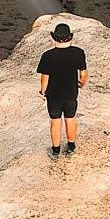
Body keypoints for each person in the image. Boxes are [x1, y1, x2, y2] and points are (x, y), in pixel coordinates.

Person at [37, 22, 87, 159]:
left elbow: (44, 78)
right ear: (70, 37)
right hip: (71, 93)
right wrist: (81, 84)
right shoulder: (78, 53)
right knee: (70, 118)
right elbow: (83, 75)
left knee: (55, 120)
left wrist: (42, 93)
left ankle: (55, 150)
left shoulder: (47, 56)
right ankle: (71, 147)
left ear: (54, 38)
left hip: (54, 95)